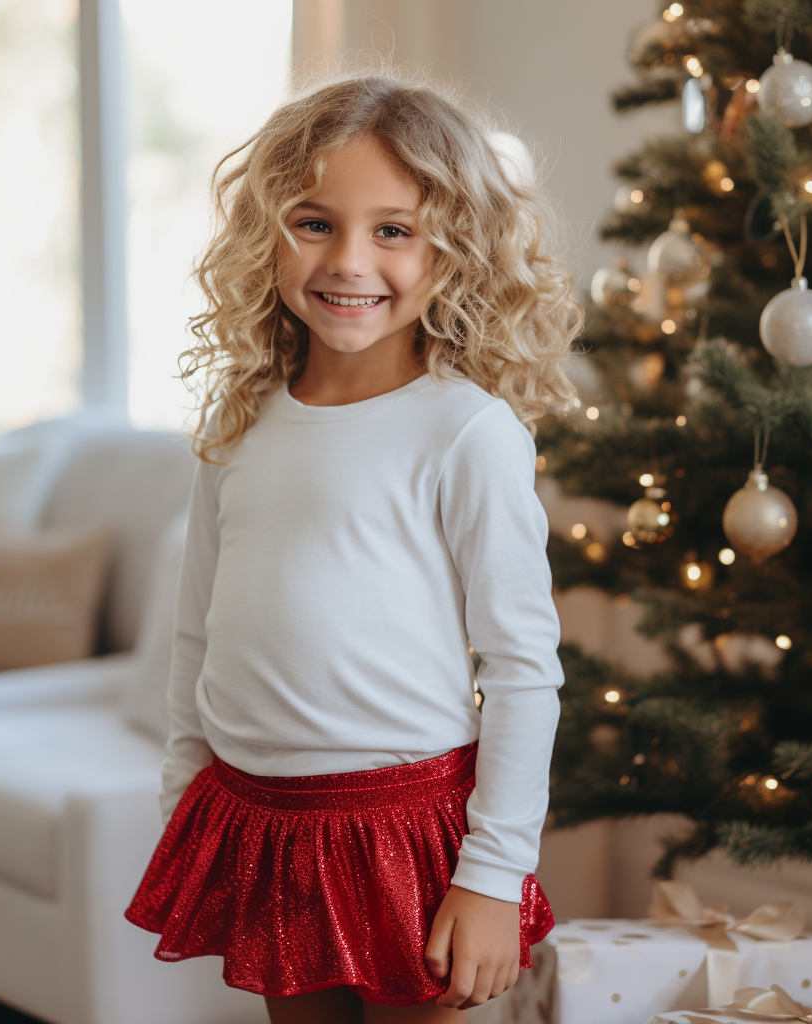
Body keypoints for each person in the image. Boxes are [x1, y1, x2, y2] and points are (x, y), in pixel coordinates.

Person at [124, 68, 583, 1024]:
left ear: (454, 248)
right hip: (262, 821)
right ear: (269, 232)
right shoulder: (239, 419)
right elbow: (197, 629)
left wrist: (495, 873)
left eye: (393, 229)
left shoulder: (468, 431)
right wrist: (184, 790)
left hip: (401, 828)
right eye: (314, 222)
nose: (349, 261)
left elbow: (523, 668)